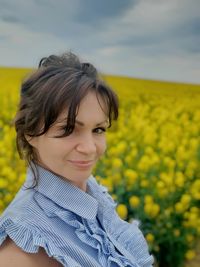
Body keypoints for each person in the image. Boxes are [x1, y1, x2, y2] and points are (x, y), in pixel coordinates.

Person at [0, 52, 154, 267]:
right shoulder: (22, 248)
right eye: (69, 129)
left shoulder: (93, 193)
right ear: (31, 133)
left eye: (99, 129)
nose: (90, 148)